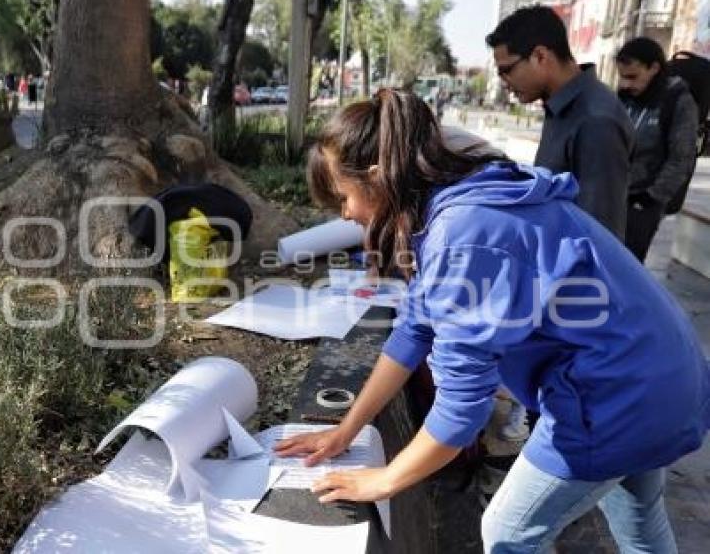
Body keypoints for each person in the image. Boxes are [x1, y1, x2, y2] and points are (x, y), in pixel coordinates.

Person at [274, 89, 709, 553]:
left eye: (343, 198)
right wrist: (348, 428)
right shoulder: (460, 203)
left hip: (617, 395)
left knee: (508, 531)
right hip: (663, 369)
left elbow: (462, 409)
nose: (346, 216)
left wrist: (384, 481)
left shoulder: (463, 234)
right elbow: (414, 330)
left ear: (378, 178)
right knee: (640, 519)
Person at [486, 5, 634, 241]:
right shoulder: (560, 105)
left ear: (540, 57)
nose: (504, 82)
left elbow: (600, 235)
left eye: (506, 71)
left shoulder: (596, 120)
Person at [616, 37, 700, 262]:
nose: (626, 84)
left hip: (643, 201)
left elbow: (682, 158)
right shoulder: (626, 98)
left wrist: (651, 198)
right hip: (614, 196)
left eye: (633, 77)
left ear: (654, 68)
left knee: (627, 268)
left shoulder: (678, 101)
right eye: (622, 77)